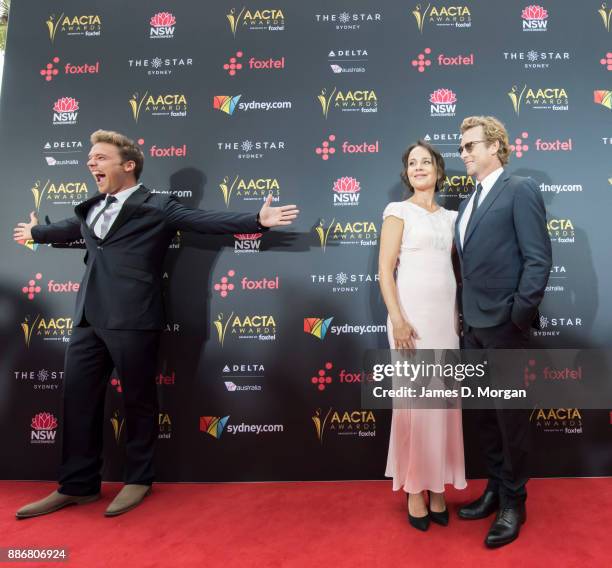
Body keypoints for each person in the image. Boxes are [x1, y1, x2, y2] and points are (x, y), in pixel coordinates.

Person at [13, 130, 299, 519]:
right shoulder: (91, 207)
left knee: (138, 402)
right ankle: (76, 486)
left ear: (127, 165)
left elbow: (204, 220)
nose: (90, 163)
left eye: (100, 157)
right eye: (90, 157)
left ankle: (138, 480)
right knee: (77, 403)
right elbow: (68, 228)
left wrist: (257, 220)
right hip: (86, 319)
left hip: (134, 318)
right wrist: (36, 232)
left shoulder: (158, 206)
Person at [455, 116, 551, 548]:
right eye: (461, 148)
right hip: (471, 326)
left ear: (496, 146)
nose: (465, 154)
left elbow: (538, 260)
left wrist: (517, 315)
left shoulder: (520, 189)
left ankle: (515, 501)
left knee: (510, 419)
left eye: (472, 145)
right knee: (486, 419)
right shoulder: (466, 203)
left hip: (505, 327)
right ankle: (495, 489)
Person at [378, 140, 466, 532]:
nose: (418, 168)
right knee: (415, 404)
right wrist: (396, 316)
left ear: (438, 169)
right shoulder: (397, 212)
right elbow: (385, 270)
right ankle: (415, 487)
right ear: (406, 172)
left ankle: (438, 486)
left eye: (425, 162)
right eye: (412, 163)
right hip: (410, 321)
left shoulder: (452, 218)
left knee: (442, 405)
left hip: (445, 321)